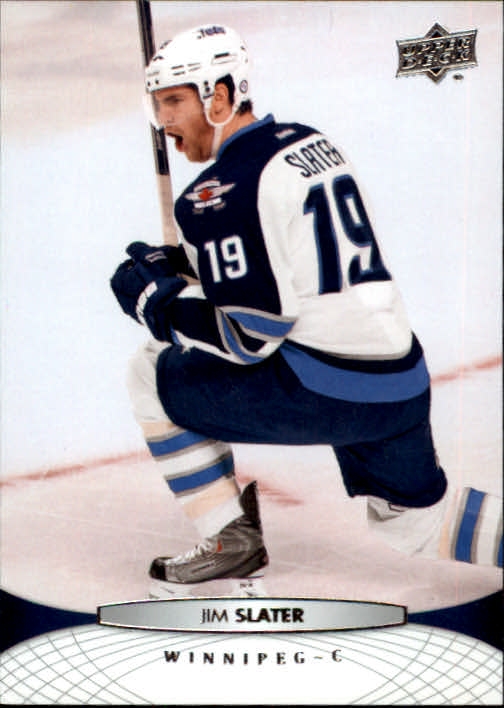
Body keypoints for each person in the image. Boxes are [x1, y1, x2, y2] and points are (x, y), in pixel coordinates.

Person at [110, 24, 502, 596]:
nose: (163, 121)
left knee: (151, 370)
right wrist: (192, 262)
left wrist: (159, 304)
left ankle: (228, 538)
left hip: (328, 388)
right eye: (157, 104)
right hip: (400, 382)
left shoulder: (216, 196)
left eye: (174, 101)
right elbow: (286, 258)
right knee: (415, 524)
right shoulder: (307, 142)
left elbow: (250, 337)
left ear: (220, 96)